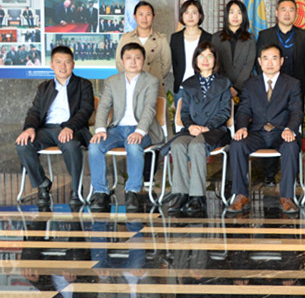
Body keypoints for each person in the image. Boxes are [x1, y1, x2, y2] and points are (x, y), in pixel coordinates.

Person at [227, 44, 303, 215]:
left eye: (274, 58)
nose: (270, 63)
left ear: (281, 61)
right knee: (237, 144)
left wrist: (290, 129)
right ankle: (240, 195)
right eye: (265, 58)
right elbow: (244, 110)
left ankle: (287, 197)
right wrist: (242, 128)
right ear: (259, 62)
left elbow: (296, 111)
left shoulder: (292, 84)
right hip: (257, 133)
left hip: (281, 132)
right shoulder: (250, 84)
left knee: (291, 146)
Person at [15, 46, 94, 209]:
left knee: (71, 145)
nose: (63, 66)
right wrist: (29, 128)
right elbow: (35, 111)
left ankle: (76, 190)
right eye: (58, 62)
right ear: (51, 65)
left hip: (73, 129)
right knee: (23, 144)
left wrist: (70, 127)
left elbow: (85, 110)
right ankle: (42, 183)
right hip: (46, 129)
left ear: (73, 64)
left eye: (67, 62)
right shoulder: (44, 87)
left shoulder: (83, 85)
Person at [88, 43, 163, 213]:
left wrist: (139, 132)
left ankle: (132, 192)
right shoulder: (112, 81)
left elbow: (149, 109)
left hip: (142, 129)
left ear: (143, 60)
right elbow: (104, 107)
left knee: (133, 145)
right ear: (122, 61)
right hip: (117, 129)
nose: (133, 62)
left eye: (137, 58)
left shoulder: (151, 81)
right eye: (128, 58)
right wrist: (100, 130)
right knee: (95, 145)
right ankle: (101, 192)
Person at [167, 42, 232, 216]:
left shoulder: (224, 83)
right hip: (192, 129)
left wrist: (207, 127)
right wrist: (191, 126)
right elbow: (184, 112)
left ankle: (197, 196)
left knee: (197, 146)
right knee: (178, 145)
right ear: (195, 60)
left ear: (215, 60)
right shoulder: (189, 84)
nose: (205, 60)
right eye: (201, 56)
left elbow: (225, 111)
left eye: (209, 56)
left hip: (215, 130)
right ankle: (181, 193)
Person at [256, 0, 305, 103]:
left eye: (291, 10)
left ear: (296, 13)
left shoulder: (304, 35)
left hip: (298, 89)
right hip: (272, 88)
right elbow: (259, 63)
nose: (287, 14)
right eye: (283, 10)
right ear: (276, 13)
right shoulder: (265, 35)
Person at [116, 1, 171, 97]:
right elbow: (119, 63)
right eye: (141, 14)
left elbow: (166, 65)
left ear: (153, 16)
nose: (144, 18)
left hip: (155, 87)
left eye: (148, 14)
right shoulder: (126, 38)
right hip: (132, 86)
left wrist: (155, 76)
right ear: (134, 16)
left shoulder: (161, 39)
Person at [211, 0, 257, 97]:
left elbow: (249, 65)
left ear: (243, 16)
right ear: (226, 15)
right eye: (232, 12)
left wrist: (236, 88)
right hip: (221, 88)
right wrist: (226, 86)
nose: (235, 16)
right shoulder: (216, 38)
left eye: (239, 13)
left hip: (244, 88)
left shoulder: (250, 39)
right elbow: (215, 63)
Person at [169, 0, 212, 97]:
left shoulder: (209, 38)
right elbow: (175, 63)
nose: (190, 16)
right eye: (186, 13)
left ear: (200, 15)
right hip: (181, 88)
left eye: (194, 13)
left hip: (203, 89)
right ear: (182, 15)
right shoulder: (175, 38)